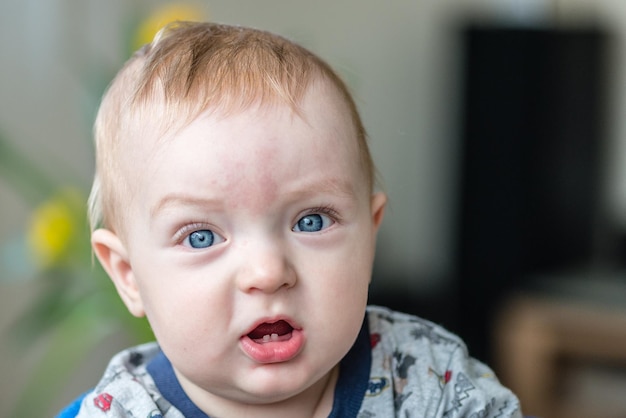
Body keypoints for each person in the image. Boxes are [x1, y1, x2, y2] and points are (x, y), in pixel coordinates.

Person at [58, 21, 523, 417]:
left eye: (312, 222)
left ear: (370, 236)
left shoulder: (429, 378)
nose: (268, 272)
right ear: (129, 275)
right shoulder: (120, 409)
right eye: (201, 236)